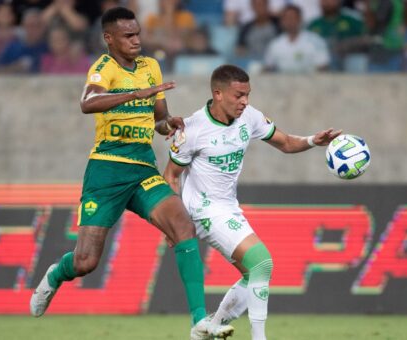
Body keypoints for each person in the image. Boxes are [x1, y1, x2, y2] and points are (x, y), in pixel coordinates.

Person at [29, 7, 234, 340]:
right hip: (107, 169)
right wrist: (136, 94)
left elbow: (159, 117)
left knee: (182, 224)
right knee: (85, 262)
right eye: (128, 36)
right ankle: (56, 274)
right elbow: (87, 102)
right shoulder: (104, 68)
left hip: (142, 168)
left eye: (137, 33)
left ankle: (200, 321)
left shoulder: (150, 67)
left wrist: (171, 124)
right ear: (109, 38)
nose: (137, 40)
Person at [163, 64, 341, 340]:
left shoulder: (250, 117)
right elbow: (171, 177)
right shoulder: (193, 129)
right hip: (203, 211)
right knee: (261, 263)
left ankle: (207, 329)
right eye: (238, 95)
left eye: (247, 94)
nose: (244, 101)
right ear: (218, 94)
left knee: (255, 274)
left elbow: (285, 142)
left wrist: (312, 140)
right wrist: (173, 224)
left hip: (229, 207)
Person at [264, 4, 331, 73]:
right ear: (282, 21)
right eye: (287, 18)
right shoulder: (275, 44)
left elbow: (323, 67)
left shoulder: (316, 41)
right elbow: (268, 68)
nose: (290, 21)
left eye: (293, 18)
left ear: (300, 19)